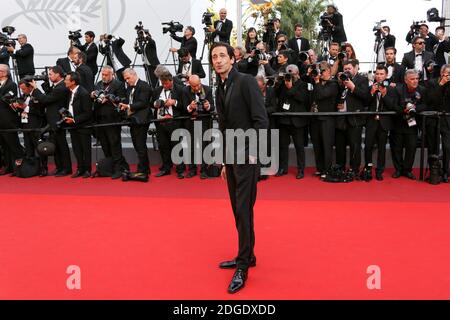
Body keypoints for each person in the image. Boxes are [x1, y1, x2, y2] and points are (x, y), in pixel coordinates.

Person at [210, 42, 268, 294]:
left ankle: (243, 265)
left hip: (247, 157)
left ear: (232, 59)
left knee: (243, 209)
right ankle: (248, 255)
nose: (218, 60)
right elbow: (223, 128)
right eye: (214, 57)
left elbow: (261, 121)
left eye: (223, 55)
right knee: (237, 208)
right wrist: (224, 161)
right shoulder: (219, 88)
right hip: (231, 158)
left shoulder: (245, 81)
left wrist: (252, 153)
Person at [31, 66, 72, 177]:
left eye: (51, 74)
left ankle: (66, 168)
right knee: (56, 145)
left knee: (61, 145)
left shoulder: (62, 87)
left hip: (58, 120)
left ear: (58, 74)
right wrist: (45, 83)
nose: (49, 76)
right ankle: (59, 167)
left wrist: (35, 89)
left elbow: (46, 99)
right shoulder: (56, 86)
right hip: (52, 120)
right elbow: (48, 95)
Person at [91, 66, 129, 179]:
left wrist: (111, 99)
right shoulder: (98, 84)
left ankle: (119, 169)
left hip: (112, 119)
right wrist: (93, 95)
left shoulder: (118, 84)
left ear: (112, 74)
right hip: (100, 119)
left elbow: (122, 100)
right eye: (102, 74)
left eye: (106, 74)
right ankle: (109, 167)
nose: (103, 76)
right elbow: (94, 99)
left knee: (115, 145)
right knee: (105, 145)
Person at [390, 69, 427, 180]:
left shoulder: (422, 90)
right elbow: (393, 105)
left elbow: (426, 104)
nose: (415, 81)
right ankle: (398, 169)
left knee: (411, 148)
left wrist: (415, 109)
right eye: (412, 79)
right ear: (406, 80)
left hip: (413, 125)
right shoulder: (397, 90)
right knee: (397, 148)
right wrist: (404, 110)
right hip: (398, 123)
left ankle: (407, 170)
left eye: (417, 79)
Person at [274, 64, 310, 179]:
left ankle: (301, 170)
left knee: (299, 146)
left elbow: (302, 99)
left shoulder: (303, 85)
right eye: (288, 73)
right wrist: (279, 81)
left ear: (297, 73)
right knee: (282, 146)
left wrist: (290, 87)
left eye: (292, 73)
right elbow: (275, 93)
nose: (289, 76)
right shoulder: (283, 84)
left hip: (297, 121)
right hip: (284, 120)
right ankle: (282, 168)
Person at [363, 65, 398, 181]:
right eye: (377, 74)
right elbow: (365, 103)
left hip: (384, 123)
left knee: (382, 148)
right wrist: (372, 93)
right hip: (371, 121)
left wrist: (384, 94)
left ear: (386, 75)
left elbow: (392, 106)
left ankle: (379, 171)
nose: (379, 76)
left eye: (381, 74)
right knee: (367, 146)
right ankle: (368, 169)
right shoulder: (369, 88)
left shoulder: (392, 89)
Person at [118, 68, 153, 180]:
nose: (127, 81)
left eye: (128, 78)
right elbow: (130, 101)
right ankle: (144, 168)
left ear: (134, 75)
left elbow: (143, 102)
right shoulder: (129, 88)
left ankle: (143, 169)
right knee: (137, 145)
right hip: (133, 120)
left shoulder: (144, 86)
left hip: (142, 120)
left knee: (140, 145)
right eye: (125, 79)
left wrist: (128, 106)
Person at [152, 72, 186, 179]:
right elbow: (151, 103)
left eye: (166, 83)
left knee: (176, 146)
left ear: (171, 81)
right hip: (160, 122)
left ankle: (180, 169)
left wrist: (174, 102)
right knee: (163, 146)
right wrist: (156, 104)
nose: (164, 85)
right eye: (162, 83)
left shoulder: (180, 89)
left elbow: (185, 106)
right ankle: (166, 168)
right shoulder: (157, 90)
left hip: (174, 122)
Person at [310, 62, 339, 177]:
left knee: (327, 145)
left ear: (329, 71)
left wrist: (317, 82)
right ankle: (320, 168)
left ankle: (327, 169)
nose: (320, 73)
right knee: (317, 145)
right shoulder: (316, 82)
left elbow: (322, 95)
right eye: (319, 71)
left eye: (322, 71)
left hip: (327, 119)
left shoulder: (333, 84)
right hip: (315, 118)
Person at [182, 75, 214, 179]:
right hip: (190, 121)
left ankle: (204, 170)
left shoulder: (207, 89)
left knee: (204, 145)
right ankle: (192, 169)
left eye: (198, 85)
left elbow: (212, 107)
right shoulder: (185, 91)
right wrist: (190, 107)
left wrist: (208, 106)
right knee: (190, 146)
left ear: (200, 82)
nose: (196, 88)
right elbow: (183, 107)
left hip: (204, 121)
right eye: (194, 86)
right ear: (189, 84)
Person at [64, 72, 93, 178]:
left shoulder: (83, 93)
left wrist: (74, 120)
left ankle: (87, 170)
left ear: (73, 82)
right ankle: (80, 168)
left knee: (85, 149)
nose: (65, 81)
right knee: (76, 149)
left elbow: (88, 113)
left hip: (83, 126)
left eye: (66, 80)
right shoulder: (70, 92)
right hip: (73, 126)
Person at [425, 64, 450, 183]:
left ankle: (445, 171)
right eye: (448, 73)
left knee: (447, 146)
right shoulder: (432, 83)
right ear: (441, 73)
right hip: (433, 119)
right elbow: (430, 100)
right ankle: (434, 171)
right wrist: (441, 85)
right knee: (433, 147)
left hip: (447, 120)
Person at [0, 64, 24, 176]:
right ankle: (8, 166)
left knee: (13, 143)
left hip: (8, 119)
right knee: (4, 145)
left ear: (5, 72)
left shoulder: (11, 84)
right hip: (1, 120)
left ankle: (20, 166)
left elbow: (6, 99)